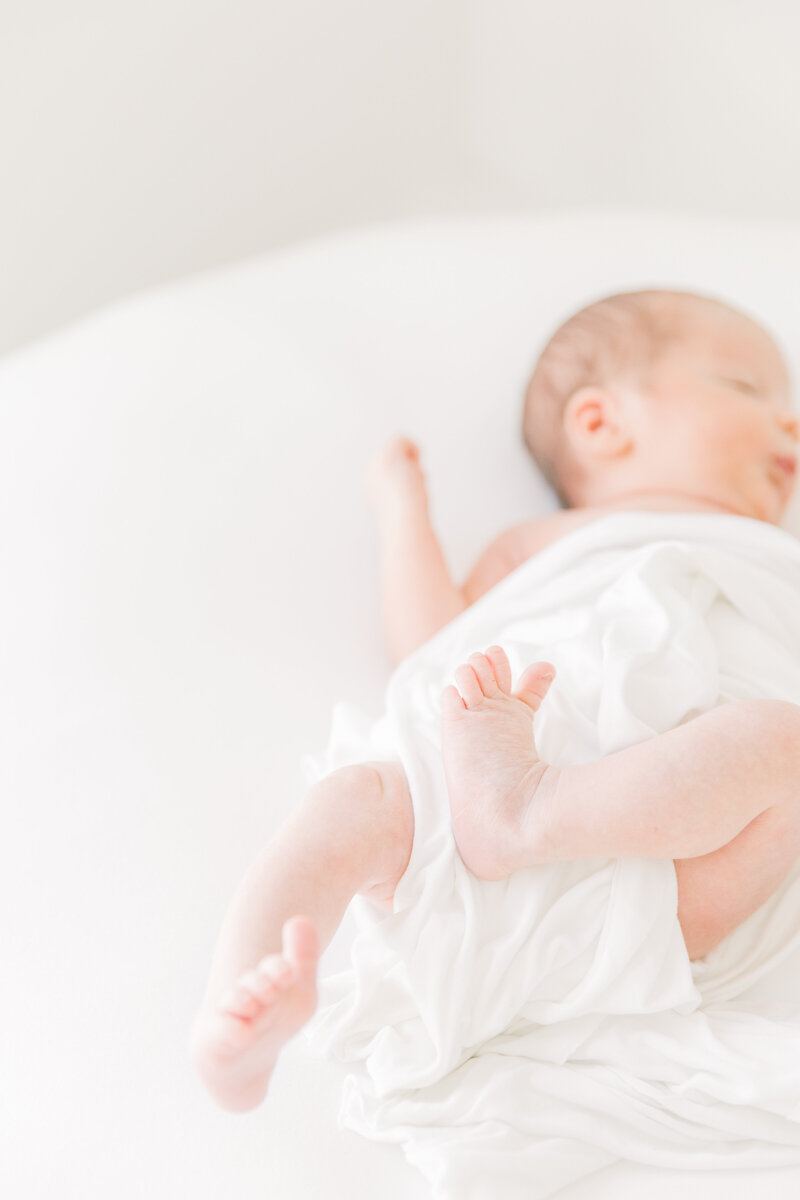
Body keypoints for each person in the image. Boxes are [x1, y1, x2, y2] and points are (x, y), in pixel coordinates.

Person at [189, 288, 800, 1114]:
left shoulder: (774, 557)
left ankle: (539, 811)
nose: (789, 421)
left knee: (781, 746)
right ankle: (239, 1017)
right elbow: (432, 647)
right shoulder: (541, 545)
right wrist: (403, 511)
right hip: (517, 761)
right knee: (352, 804)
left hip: (674, 893)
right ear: (600, 424)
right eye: (748, 390)